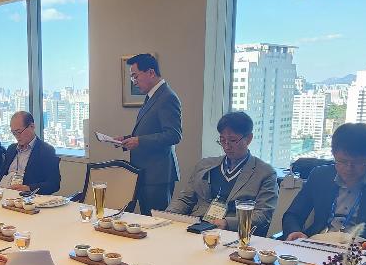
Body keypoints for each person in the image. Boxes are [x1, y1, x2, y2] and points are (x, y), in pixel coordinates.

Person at [282, 123, 366, 258]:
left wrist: (363, 247)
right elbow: (293, 215)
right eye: (342, 161)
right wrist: (294, 232)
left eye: (358, 163)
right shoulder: (320, 175)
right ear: (333, 154)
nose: (349, 168)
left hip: (363, 254)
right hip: (317, 247)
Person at [168, 111, 278, 237]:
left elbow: (263, 214)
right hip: (196, 227)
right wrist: (168, 215)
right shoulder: (205, 165)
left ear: (248, 138)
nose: (226, 146)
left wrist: (227, 223)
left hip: (231, 233)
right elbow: (185, 199)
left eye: (232, 140)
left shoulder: (265, 173)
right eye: (222, 140)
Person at [119, 54, 182, 215]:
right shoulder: (153, 96)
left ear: (151, 73)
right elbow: (150, 130)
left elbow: (173, 135)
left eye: (135, 76)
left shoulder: (167, 97)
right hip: (146, 172)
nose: (134, 81)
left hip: (158, 175)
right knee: (146, 220)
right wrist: (126, 140)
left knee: (156, 222)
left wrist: (139, 141)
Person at [0, 111, 61, 194]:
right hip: (6, 193)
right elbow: (1, 173)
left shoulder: (46, 150)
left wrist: (28, 188)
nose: (17, 136)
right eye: (14, 133)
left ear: (32, 126)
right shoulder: (12, 149)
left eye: (19, 132)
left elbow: (54, 184)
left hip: (27, 197)